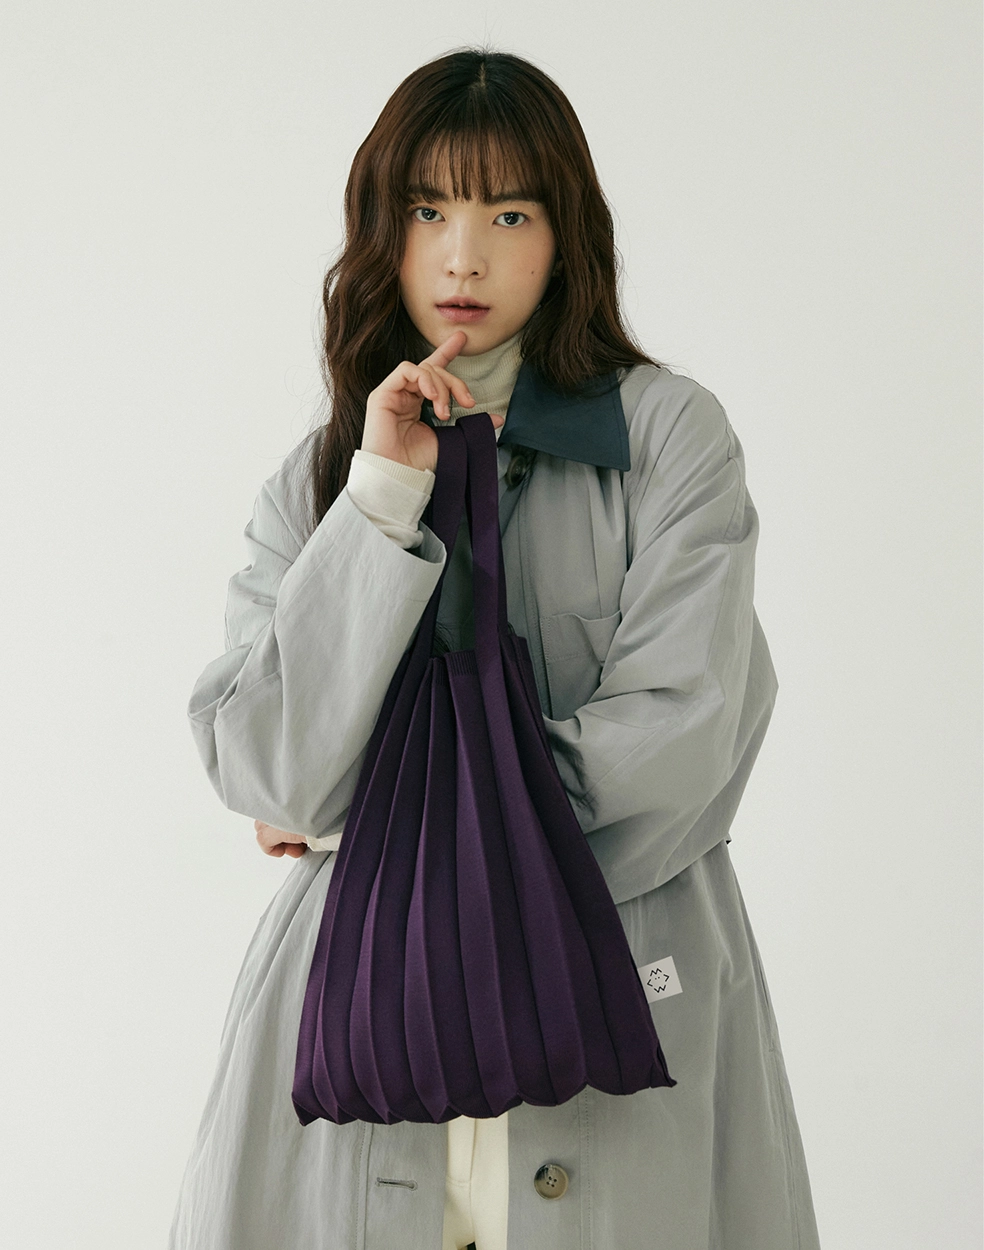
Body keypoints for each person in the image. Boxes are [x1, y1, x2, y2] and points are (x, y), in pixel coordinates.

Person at [169, 46, 822, 1250]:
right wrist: (379, 500)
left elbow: (680, 741)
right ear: (383, 230)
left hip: (617, 1003)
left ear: (565, 234)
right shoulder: (323, 476)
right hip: (353, 1039)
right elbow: (265, 764)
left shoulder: (667, 440)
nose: (462, 257)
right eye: (428, 211)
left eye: (507, 213)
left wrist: (373, 817)